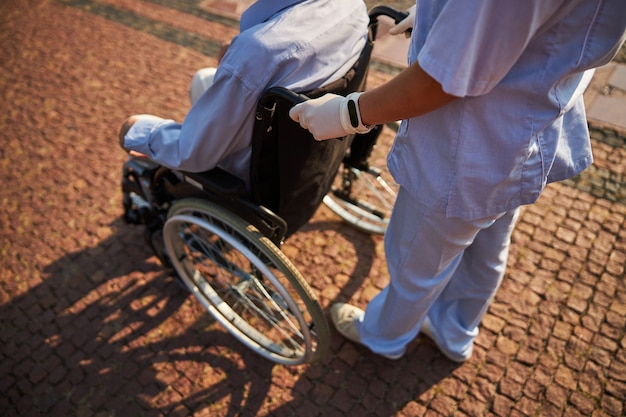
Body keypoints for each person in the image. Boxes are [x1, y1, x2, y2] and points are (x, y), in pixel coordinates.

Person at [290, 0, 626, 361]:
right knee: (487, 247)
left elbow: (443, 78)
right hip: (526, 127)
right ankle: (454, 330)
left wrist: (349, 112)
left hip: (467, 144)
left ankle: (383, 337)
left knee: (415, 259)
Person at [118, 0, 369, 189]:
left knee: (138, 129)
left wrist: (138, 132)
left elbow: (194, 154)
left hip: (258, 174)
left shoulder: (258, 53)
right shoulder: (351, 5)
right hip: (304, 158)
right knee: (204, 80)